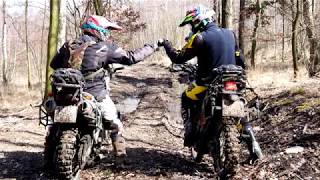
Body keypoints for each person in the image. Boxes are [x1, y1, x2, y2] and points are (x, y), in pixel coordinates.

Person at [48, 15, 159, 163]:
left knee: (54, 125)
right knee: (116, 123)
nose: (107, 33)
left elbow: (54, 65)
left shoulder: (68, 45)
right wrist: (151, 47)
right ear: (97, 29)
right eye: (106, 29)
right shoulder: (105, 47)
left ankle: (48, 158)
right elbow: (131, 57)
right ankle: (120, 157)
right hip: (94, 95)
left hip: (67, 94)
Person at [158, 5, 245, 146]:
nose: (191, 27)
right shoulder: (231, 34)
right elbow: (240, 58)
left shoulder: (199, 38)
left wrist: (166, 44)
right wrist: (241, 72)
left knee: (185, 96)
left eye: (192, 23)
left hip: (206, 84)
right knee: (242, 107)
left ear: (199, 20)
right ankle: (250, 138)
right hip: (232, 80)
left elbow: (178, 57)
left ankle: (190, 131)